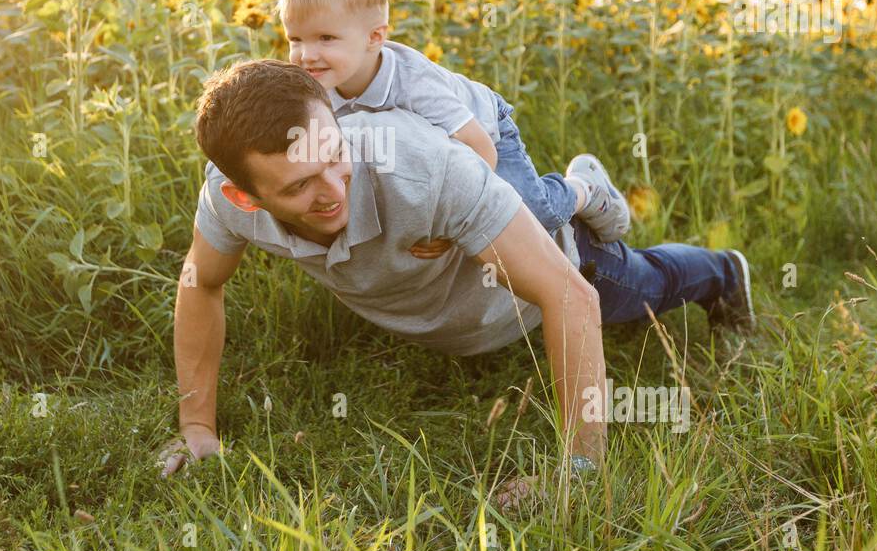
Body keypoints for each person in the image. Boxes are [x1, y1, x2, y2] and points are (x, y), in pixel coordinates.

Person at [159, 60, 755, 506]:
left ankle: (724, 272)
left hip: (554, 278)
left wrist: (579, 469)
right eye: (298, 188)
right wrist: (196, 429)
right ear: (245, 196)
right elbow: (200, 283)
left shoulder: (421, 164)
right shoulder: (226, 199)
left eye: (335, 157)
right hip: (451, 311)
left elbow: (569, 297)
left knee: (645, 280)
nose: (333, 190)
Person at [276, 0, 631, 268]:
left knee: (533, 214)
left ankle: (584, 188)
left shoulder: (413, 83)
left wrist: (454, 222)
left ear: (375, 38)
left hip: (486, 129)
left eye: (326, 38)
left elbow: (479, 149)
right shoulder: (320, 87)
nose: (307, 55)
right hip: (437, 148)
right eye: (296, 39)